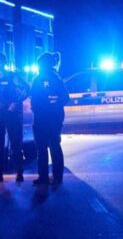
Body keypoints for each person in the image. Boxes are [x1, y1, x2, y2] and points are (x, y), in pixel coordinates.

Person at [31, 52, 69, 187]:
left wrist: (46, 106)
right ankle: (54, 177)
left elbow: (34, 101)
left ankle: (45, 177)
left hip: (44, 118)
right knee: (52, 146)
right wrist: (54, 105)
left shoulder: (39, 79)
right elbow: (64, 98)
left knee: (44, 147)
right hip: (52, 117)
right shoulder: (56, 79)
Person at [0, 52, 29, 183]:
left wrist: (17, 102)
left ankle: (19, 172)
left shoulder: (13, 76)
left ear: (5, 62)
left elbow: (27, 88)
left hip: (11, 113)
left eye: (1, 61)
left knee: (16, 143)